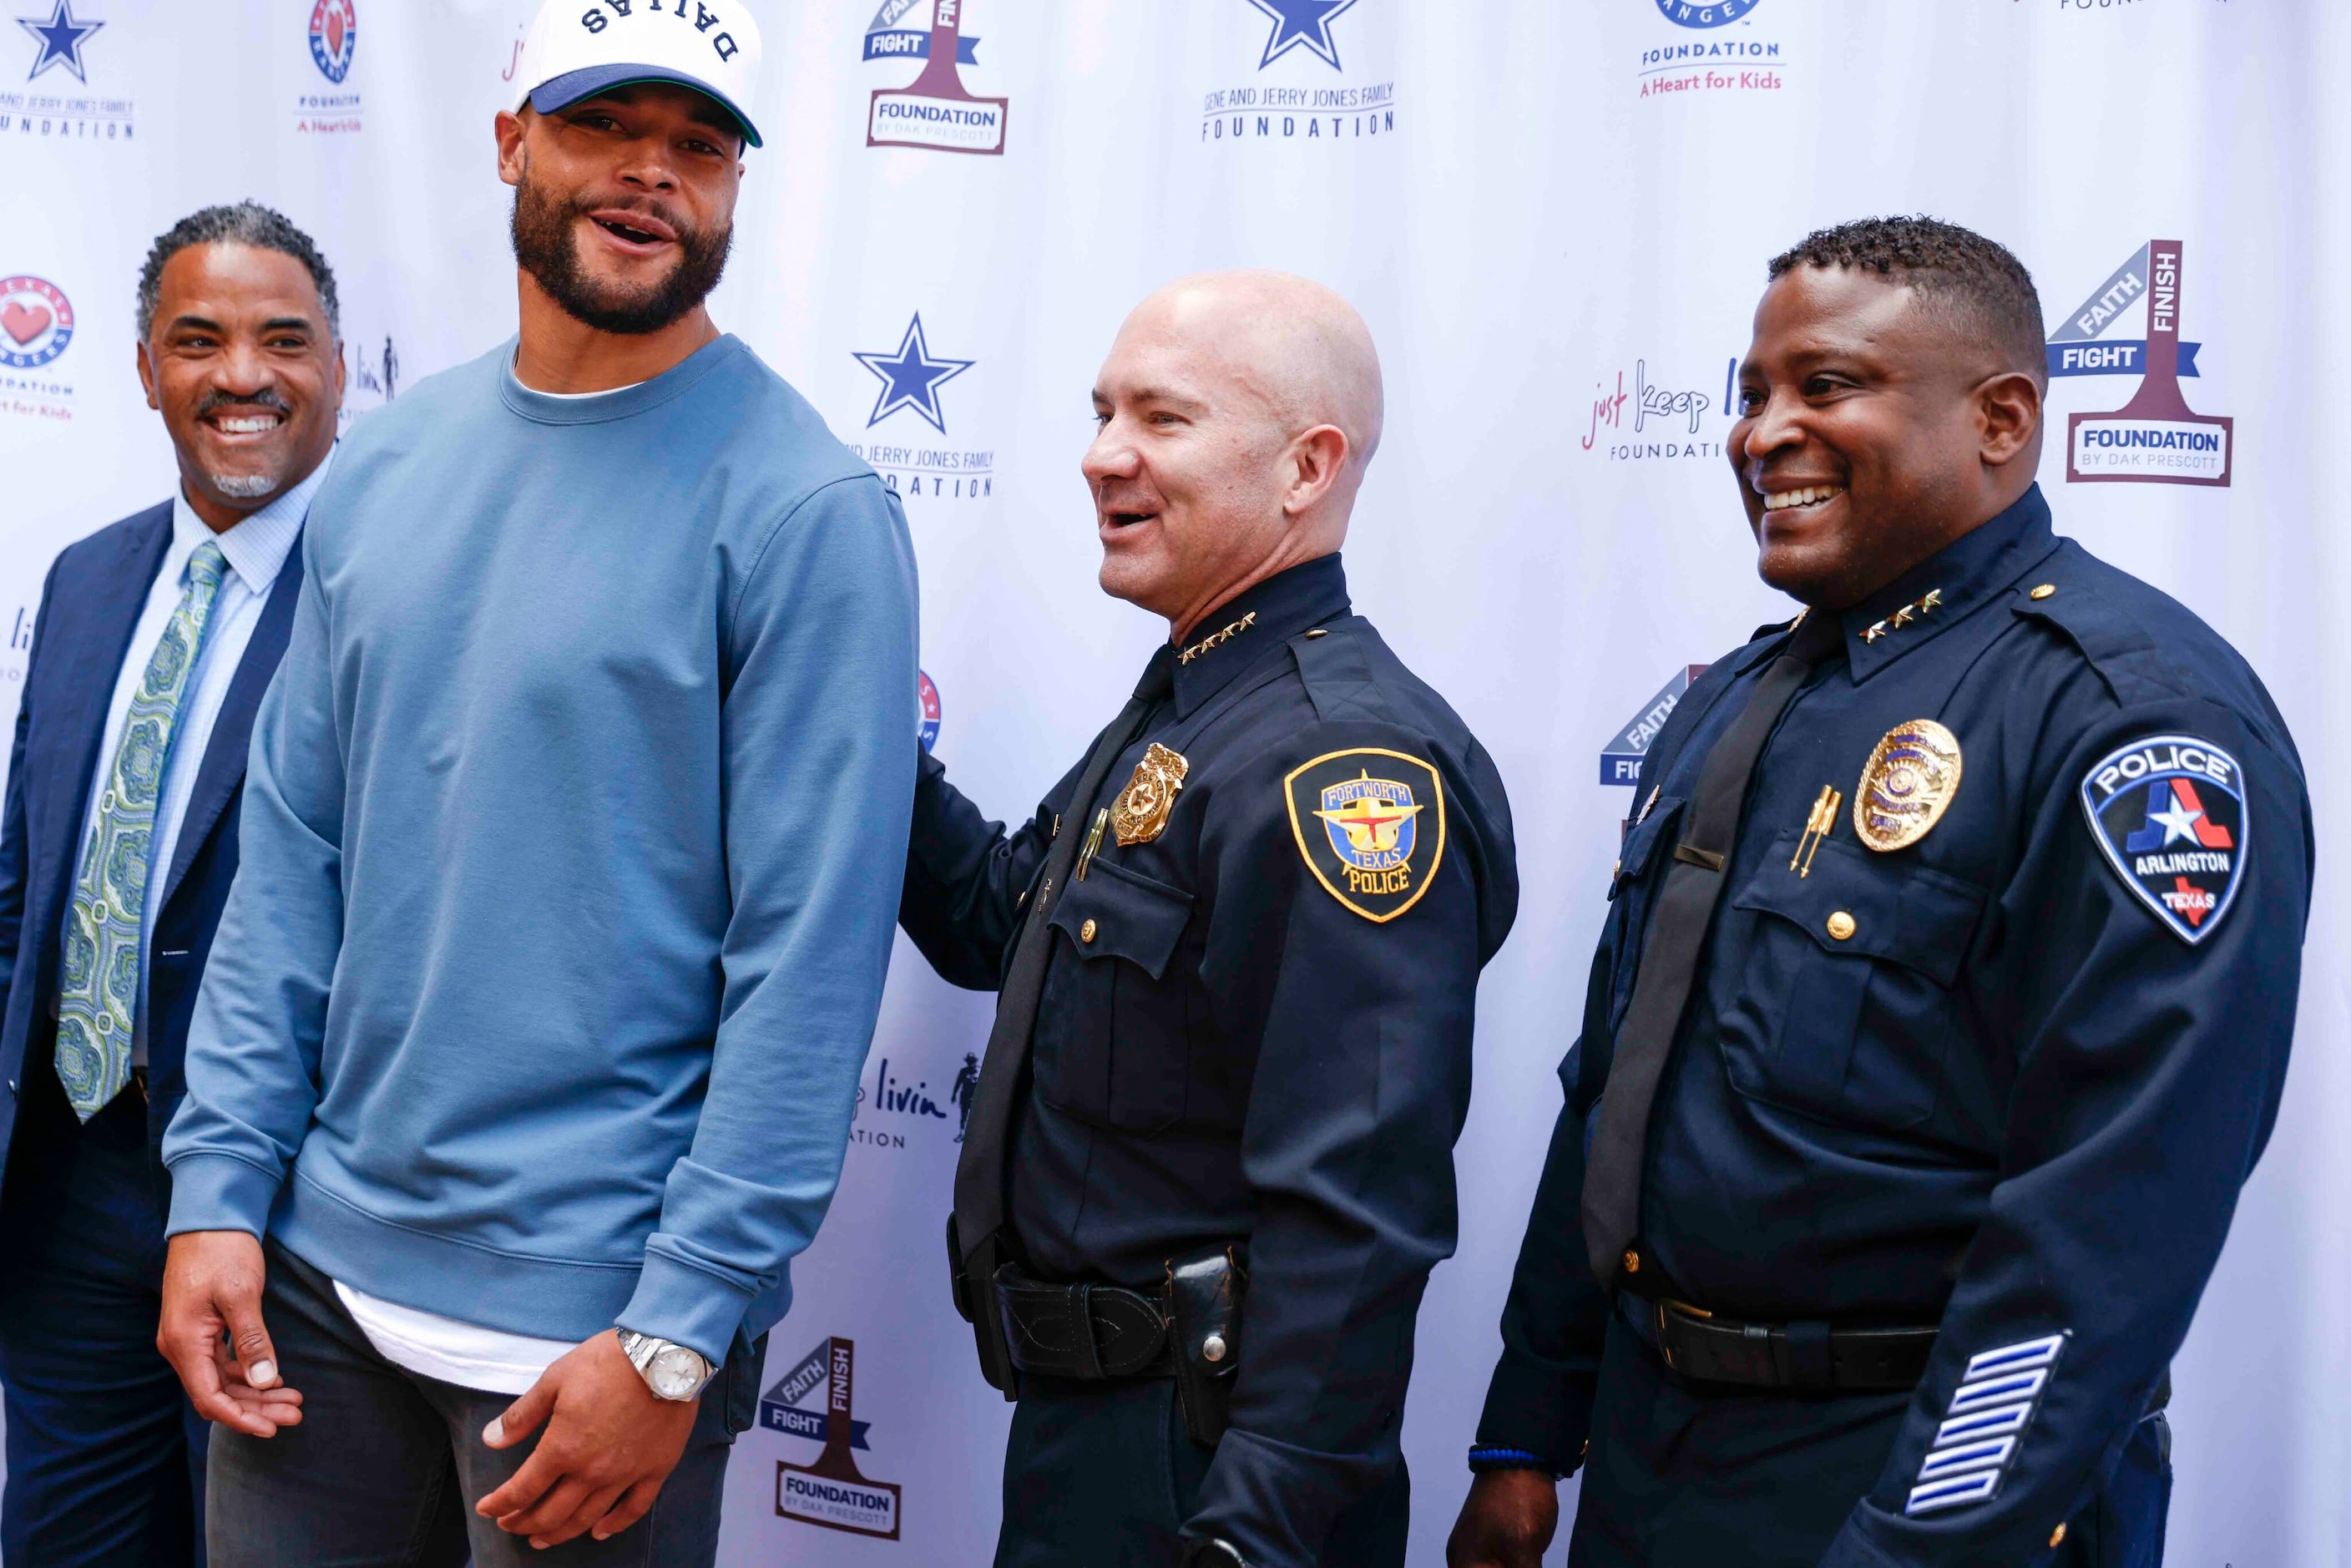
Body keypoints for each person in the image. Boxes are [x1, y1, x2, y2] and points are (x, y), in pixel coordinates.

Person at [154, 2, 918, 1563]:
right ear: (512, 142)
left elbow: (809, 963)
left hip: (596, 1337)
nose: (653, 175)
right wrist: (218, 1185)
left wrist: (678, 1332)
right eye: (603, 126)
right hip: (314, 1296)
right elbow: (296, 857)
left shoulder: (807, 510)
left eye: (698, 145)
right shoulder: (388, 460)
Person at [1446, 216, 2311, 1568]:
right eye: (1751, 395)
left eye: (1826, 387)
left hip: (1910, 1481)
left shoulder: (2128, 717)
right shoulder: (1734, 703)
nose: (1760, 433)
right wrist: (1527, 1427)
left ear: (2003, 418)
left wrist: (1921, 1539)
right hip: (1656, 1458)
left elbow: (2108, 1220)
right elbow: (1620, 1084)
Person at [900, 270, 1519, 1568]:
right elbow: (992, 919)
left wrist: (1251, 1538)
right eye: (1101, 410)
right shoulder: (1196, 701)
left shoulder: (1338, 764)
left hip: (1211, 1473)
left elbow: (1355, 1214)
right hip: (1093, 1437)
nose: (1099, 455)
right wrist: (842, 709)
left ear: (1307, 467)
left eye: (1161, 419)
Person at [0, 201, 342, 1567]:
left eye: (283, 340)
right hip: (70, 1185)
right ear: (145, 369)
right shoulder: (85, 580)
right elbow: (29, 881)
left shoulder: (382, 594)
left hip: (284, 1214)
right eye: (197, 340)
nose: (242, 375)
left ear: (337, 365)